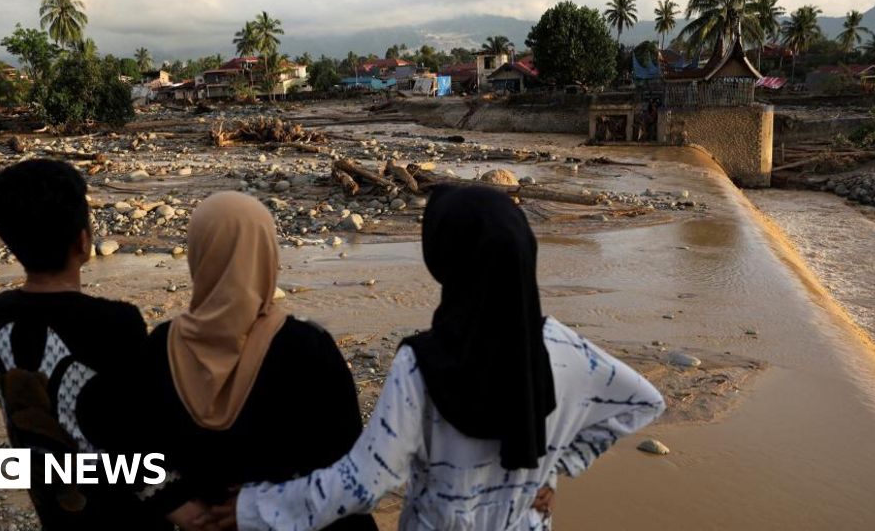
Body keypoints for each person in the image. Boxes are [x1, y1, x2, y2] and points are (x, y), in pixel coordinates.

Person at [223, 185, 666, 531]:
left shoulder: (421, 365)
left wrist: (252, 509)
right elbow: (642, 402)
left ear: (444, 259)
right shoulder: (566, 347)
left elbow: (364, 483)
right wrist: (551, 472)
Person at [116, 192, 377, 531]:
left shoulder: (160, 346)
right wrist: (262, 506)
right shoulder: (307, 350)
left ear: (198, 256)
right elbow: (350, 473)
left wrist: (172, 502)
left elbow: (127, 450)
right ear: (267, 256)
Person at [0, 159, 205, 530]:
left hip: (56, 510)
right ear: (83, 240)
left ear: (9, 241)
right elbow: (138, 432)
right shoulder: (116, 322)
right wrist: (176, 502)